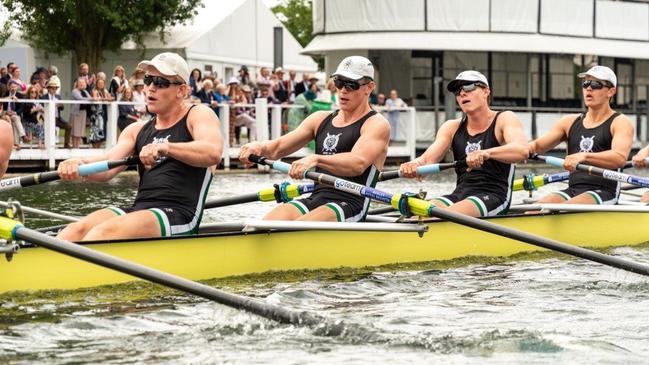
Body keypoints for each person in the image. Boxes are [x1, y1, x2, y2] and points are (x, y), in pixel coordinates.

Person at [56, 52, 223, 241]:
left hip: (178, 214)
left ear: (182, 91)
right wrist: (79, 164)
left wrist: (166, 148)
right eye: (148, 80)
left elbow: (212, 152)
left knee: (101, 234)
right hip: (139, 209)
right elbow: (108, 166)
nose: (150, 88)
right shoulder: (136, 129)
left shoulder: (199, 115)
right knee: (73, 231)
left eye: (160, 82)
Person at [240, 56, 390, 222]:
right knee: (263, 225)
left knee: (297, 229)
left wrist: (316, 159)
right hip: (316, 198)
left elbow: (357, 164)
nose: (343, 90)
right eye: (339, 82)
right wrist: (258, 147)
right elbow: (276, 148)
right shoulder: (319, 119)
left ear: (369, 87)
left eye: (351, 84)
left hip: (351, 204)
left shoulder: (376, 124)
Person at [400, 70, 528, 217]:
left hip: (493, 196)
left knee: (443, 216)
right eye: (457, 90)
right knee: (419, 215)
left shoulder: (505, 118)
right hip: (459, 194)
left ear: (486, 91)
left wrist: (486, 153)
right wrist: (412, 165)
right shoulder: (451, 127)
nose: (462, 93)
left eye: (468, 87)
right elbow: (426, 160)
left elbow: (522, 150)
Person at [528, 65, 634, 205]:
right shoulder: (569, 122)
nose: (589, 88)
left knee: (565, 209)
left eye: (596, 84)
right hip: (573, 190)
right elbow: (537, 146)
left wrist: (583, 156)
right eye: (586, 84)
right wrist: (519, 149)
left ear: (611, 91)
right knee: (537, 208)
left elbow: (619, 158)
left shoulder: (620, 122)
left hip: (604, 192)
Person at [40, 76, 71, 148]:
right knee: (50, 129)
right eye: (52, 88)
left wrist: (60, 105)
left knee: (68, 126)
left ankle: (66, 144)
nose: (54, 90)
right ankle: (48, 145)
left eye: (55, 88)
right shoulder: (44, 97)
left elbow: (62, 108)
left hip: (57, 118)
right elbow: (41, 107)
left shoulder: (58, 97)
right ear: (48, 88)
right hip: (47, 118)